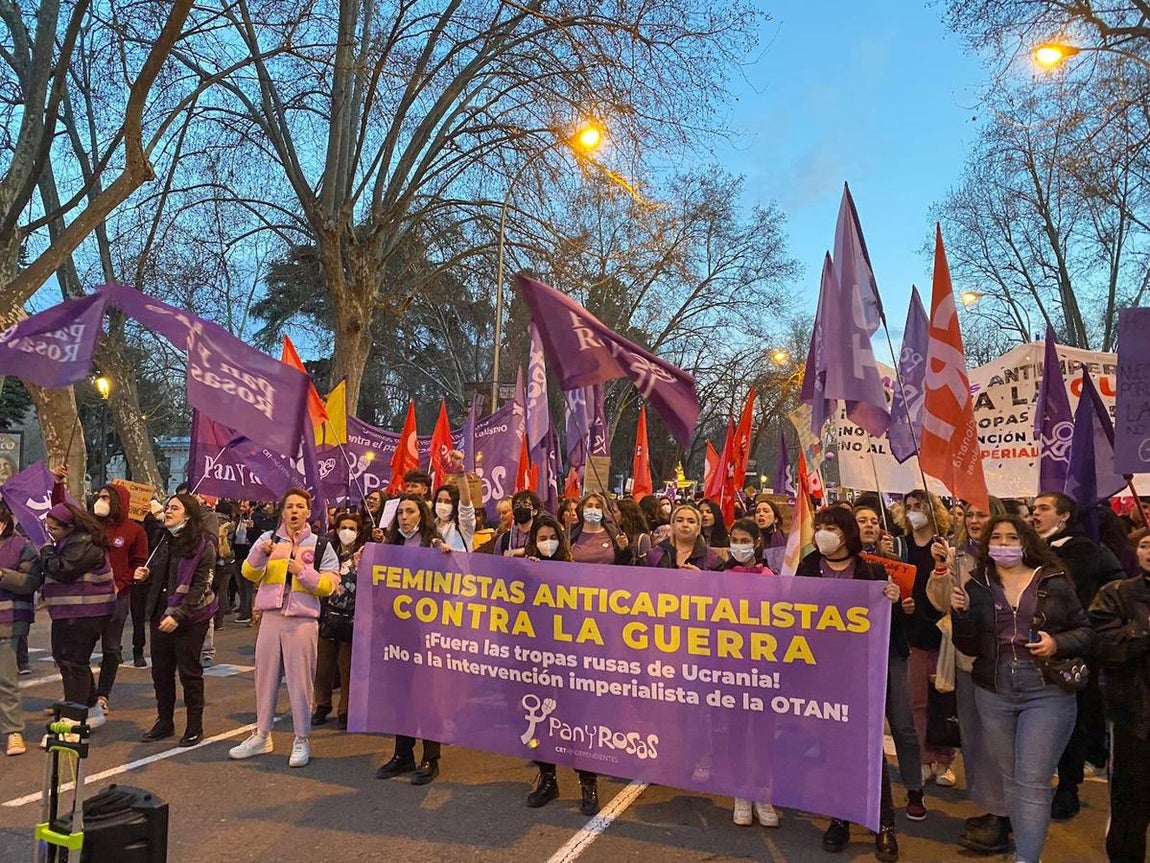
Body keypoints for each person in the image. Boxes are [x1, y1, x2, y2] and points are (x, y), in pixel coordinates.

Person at [950, 514, 1094, 863]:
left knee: (1032, 781)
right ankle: (1024, 847)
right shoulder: (977, 585)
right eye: (996, 537)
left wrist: (1055, 643)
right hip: (994, 691)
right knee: (1011, 779)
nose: (1003, 543)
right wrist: (962, 615)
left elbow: (1086, 632)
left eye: (1011, 537)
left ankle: (1027, 859)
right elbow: (967, 647)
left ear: (1026, 542)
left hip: (1046, 692)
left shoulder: (1053, 581)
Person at [797, 506, 901, 862]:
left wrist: (894, 601)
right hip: (822, 672)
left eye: (831, 527)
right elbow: (792, 611)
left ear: (846, 534)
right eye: (820, 527)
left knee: (869, 750)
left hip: (861, 673)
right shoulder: (809, 565)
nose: (823, 533)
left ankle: (884, 824)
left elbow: (891, 625)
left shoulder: (871, 569)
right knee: (834, 748)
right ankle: (839, 818)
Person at [925, 497, 1012, 853]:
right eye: (971, 514)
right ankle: (993, 808)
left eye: (983, 514)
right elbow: (941, 602)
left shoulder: (1011, 560)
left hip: (1002, 664)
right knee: (976, 739)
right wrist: (942, 570)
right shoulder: (958, 555)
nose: (975, 520)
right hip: (966, 661)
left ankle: (1004, 818)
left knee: (1000, 745)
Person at [229, 488, 340, 769]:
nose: (294, 511)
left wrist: (301, 571)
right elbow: (248, 573)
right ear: (283, 511)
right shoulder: (267, 540)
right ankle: (261, 734)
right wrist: (258, 554)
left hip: (302, 621)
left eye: (300, 507)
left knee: (300, 681)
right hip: (271, 617)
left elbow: (330, 585)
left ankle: (301, 737)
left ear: (308, 512)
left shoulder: (320, 545)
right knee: (264, 678)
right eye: (289, 506)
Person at [1031, 490, 1124, 819]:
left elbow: (1117, 587)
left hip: (1072, 649)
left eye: (1043, 508)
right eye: (1033, 508)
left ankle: (1068, 786)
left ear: (1064, 515)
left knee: (1071, 720)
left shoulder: (1089, 550)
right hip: (1032, 648)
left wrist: (1089, 619)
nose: (1035, 513)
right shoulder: (1028, 549)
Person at [521, 515, 601, 815]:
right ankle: (547, 778)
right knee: (537, 718)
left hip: (569, 659)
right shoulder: (525, 571)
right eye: (541, 538)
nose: (547, 543)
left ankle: (588, 782)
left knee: (576, 720)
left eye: (551, 536)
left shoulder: (575, 571)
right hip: (535, 657)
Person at [853, 504, 926, 824]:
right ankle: (865, 791)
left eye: (873, 521)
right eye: (861, 520)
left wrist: (905, 606)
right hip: (854, 656)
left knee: (903, 724)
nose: (869, 525)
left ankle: (914, 789)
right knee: (860, 728)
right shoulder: (843, 564)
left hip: (892, 652)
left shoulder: (895, 564)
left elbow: (912, 611)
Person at [376, 494, 448, 783]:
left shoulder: (433, 544)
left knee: (425, 693)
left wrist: (446, 559)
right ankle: (402, 753)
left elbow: (452, 585)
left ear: (422, 515)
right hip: (396, 629)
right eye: (401, 512)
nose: (405, 517)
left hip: (425, 630)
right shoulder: (391, 545)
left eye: (411, 511)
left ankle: (431, 757)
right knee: (400, 693)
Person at [1089, 527, 1150, 863]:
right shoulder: (1116, 594)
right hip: (1134, 717)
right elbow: (1106, 647)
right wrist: (1143, 629)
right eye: (1144, 545)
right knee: (1130, 806)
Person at [137, 494, 218, 746]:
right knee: (161, 672)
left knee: (189, 672)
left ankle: (195, 726)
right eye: (167, 507)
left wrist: (179, 615)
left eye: (174, 508)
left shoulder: (203, 545)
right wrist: (145, 574)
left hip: (190, 617)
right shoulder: (162, 538)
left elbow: (201, 586)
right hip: (160, 614)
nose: (168, 512)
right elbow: (160, 576)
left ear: (189, 514)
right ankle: (164, 721)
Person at [37, 503, 116, 728]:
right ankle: (90, 708)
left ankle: (73, 720)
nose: (50, 532)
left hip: (84, 612)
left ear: (70, 527)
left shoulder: (84, 543)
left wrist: (46, 550)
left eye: (54, 529)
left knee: (73, 663)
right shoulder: (71, 541)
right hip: (71, 611)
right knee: (68, 660)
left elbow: (63, 570)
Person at [722, 519, 780, 827]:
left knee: (763, 732)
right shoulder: (722, 576)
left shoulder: (772, 577)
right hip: (732, 669)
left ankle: (763, 791)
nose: (739, 544)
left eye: (745, 539)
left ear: (757, 542)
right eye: (735, 538)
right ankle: (740, 791)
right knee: (736, 730)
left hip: (764, 670)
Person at [897, 489, 956, 787]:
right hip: (913, 634)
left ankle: (944, 761)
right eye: (908, 506)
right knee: (917, 702)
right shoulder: (900, 546)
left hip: (944, 635)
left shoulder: (945, 546)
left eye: (919, 506)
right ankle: (922, 759)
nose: (913, 511)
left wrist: (944, 562)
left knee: (944, 702)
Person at [85, 483, 150, 717]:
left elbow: (139, 563)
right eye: (99, 496)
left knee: (111, 649)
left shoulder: (135, 531)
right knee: (81, 647)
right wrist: (58, 484)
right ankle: (82, 692)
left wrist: (122, 583)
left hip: (117, 598)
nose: (100, 500)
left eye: (106, 497)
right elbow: (61, 511)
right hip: (88, 597)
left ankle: (103, 695)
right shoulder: (90, 526)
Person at [313, 511, 365, 730]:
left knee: (347, 667)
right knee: (323, 666)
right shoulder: (328, 553)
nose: (347, 532)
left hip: (353, 619)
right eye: (343, 527)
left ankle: (346, 710)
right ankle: (322, 705)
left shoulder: (363, 555)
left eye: (352, 528)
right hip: (328, 616)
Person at [0, 506, 39, 755]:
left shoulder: (21, 546)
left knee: (5, 680)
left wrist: (2, 575)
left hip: (6, 622)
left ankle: (13, 731)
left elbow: (31, 582)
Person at [645, 504, 723, 571]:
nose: (685, 525)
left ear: (698, 527)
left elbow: (720, 586)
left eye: (691, 521)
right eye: (679, 520)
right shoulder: (655, 555)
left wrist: (702, 578)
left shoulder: (712, 559)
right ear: (672, 525)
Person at [568, 493, 631, 565]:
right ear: (582, 509)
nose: (593, 510)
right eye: (589, 506)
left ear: (603, 511)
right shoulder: (572, 535)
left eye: (598, 507)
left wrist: (623, 549)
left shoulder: (613, 534)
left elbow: (624, 564)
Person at [431, 458, 476, 552]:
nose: (442, 505)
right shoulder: (431, 525)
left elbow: (466, 505)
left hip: (457, 566)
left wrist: (460, 471)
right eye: (439, 501)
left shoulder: (463, 526)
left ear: (455, 504)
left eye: (447, 502)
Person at [494, 491, 541, 557]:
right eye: (517, 505)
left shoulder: (542, 535)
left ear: (534, 511)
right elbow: (495, 562)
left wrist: (524, 551)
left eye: (526, 504)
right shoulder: (504, 539)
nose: (521, 508)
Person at [616, 499, 652, 565]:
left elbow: (646, 565)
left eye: (615, 512)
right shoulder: (613, 534)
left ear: (624, 516)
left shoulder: (643, 538)